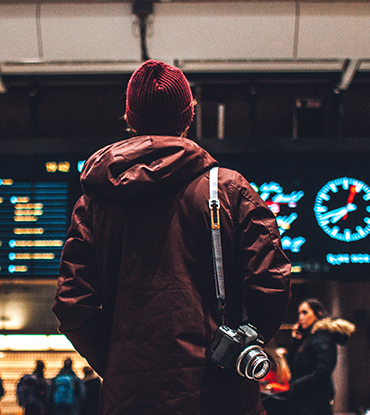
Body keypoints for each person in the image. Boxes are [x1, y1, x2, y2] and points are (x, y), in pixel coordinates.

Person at [52, 59, 291, 415]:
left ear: (130, 118)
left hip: (129, 402)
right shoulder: (228, 189)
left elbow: (72, 303)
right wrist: (237, 347)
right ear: (188, 116)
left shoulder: (95, 201)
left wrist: (122, 366)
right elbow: (270, 283)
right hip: (220, 397)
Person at [288, 298, 355, 415]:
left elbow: (323, 371)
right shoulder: (309, 338)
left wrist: (296, 385)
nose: (300, 317)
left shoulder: (321, 338)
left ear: (318, 313)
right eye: (299, 313)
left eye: (305, 312)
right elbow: (293, 365)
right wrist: (296, 341)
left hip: (315, 402)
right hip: (304, 401)